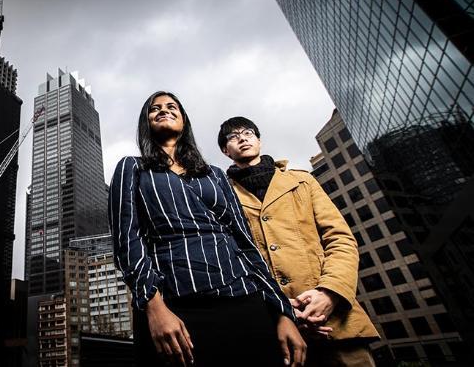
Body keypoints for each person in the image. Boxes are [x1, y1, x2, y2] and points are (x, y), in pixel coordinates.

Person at [109, 91, 305, 367]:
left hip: (244, 299)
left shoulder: (213, 173)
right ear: (147, 122)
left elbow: (244, 241)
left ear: (184, 120)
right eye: (155, 109)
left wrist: (283, 313)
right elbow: (126, 240)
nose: (163, 110)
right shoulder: (133, 168)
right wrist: (154, 308)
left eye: (171, 106)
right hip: (176, 306)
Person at [218, 116, 379, 367]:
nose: (241, 138)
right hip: (273, 331)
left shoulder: (302, 181)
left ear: (259, 140)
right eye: (232, 136)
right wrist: (278, 309)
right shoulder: (221, 197)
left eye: (248, 132)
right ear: (225, 151)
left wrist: (330, 293)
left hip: (335, 321)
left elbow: (340, 240)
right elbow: (230, 262)